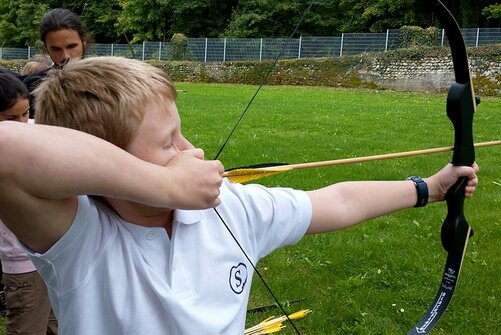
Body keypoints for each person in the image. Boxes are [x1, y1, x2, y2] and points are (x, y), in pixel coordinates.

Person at [0, 57, 478, 334]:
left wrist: (430, 189)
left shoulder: (231, 208)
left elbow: (339, 202)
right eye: (169, 143)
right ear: (104, 162)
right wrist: (168, 185)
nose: (193, 151)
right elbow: (7, 149)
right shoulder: (80, 237)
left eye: (181, 134)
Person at [0, 73, 58, 334]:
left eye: (25, 114)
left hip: (57, 256)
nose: (23, 124)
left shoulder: (37, 132)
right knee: (27, 327)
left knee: (63, 322)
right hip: (22, 263)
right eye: (12, 119)